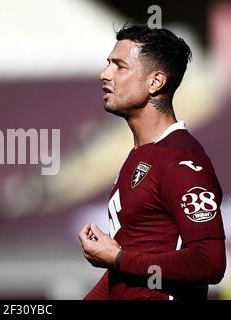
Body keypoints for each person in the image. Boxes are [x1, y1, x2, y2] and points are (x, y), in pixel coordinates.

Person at [79, 24, 226, 300]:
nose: (104, 74)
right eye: (107, 64)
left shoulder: (181, 160)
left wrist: (119, 257)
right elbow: (127, 270)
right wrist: (118, 260)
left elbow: (210, 262)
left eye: (119, 66)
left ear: (155, 82)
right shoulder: (141, 154)